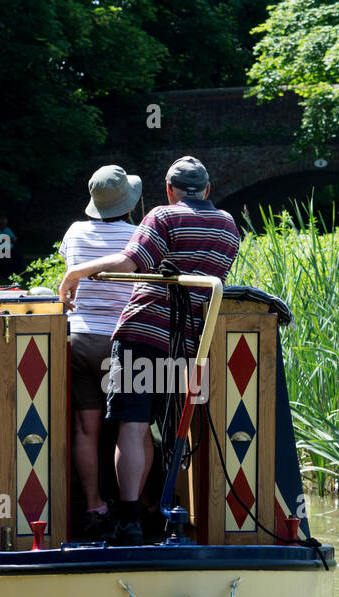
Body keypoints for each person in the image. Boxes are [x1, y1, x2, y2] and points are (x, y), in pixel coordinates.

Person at [58, 156, 239, 544]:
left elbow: (129, 260)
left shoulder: (163, 216)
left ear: (169, 191)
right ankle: (167, 513)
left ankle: (129, 519)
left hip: (142, 334)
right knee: (168, 428)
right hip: (188, 342)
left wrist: (77, 271)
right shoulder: (228, 226)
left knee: (133, 426)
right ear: (207, 190)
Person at [59, 165, 143, 540]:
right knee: (135, 428)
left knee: (86, 428)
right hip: (122, 341)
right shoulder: (138, 236)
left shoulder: (75, 232)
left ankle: (94, 506)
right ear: (128, 202)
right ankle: (138, 509)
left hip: (80, 340)